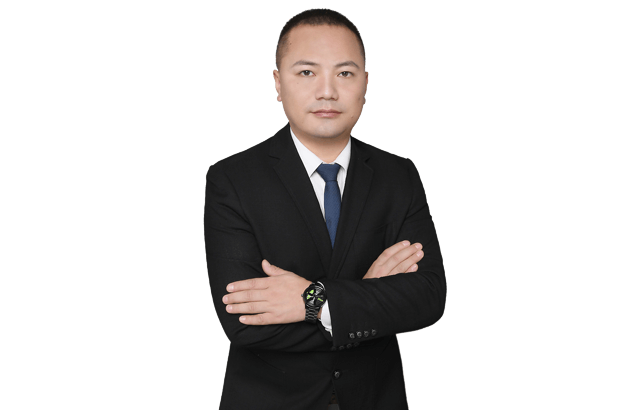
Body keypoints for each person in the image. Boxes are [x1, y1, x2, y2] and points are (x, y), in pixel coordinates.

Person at [204, 8, 446, 410]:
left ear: (365, 82)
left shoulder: (398, 174)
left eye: (345, 73)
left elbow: (428, 298)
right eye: (306, 72)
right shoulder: (232, 179)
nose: (327, 92)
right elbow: (243, 324)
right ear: (277, 83)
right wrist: (367, 297)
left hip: (374, 399)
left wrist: (311, 300)